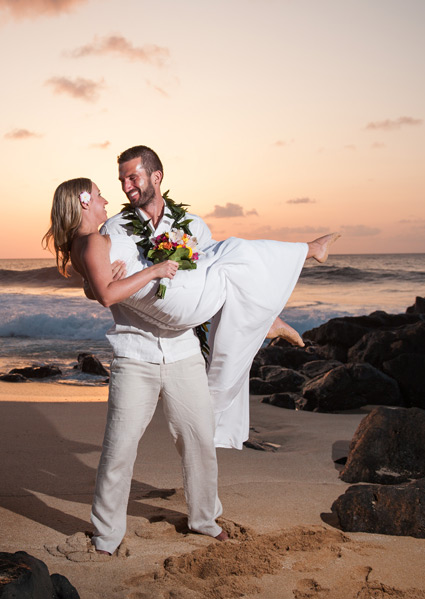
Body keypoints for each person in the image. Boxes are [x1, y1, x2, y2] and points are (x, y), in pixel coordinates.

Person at [43, 146, 338, 554]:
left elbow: (202, 286)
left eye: (134, 178)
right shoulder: (114, 231)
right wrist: (92, 285)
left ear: (156, 176)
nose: (126, 187)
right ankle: (107, 535)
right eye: (120, 181)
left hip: (182, 351)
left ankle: (203, 518)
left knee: (198, 438)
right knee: (119, 447)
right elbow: (97, 281)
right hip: (135, 352)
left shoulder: (193, 226)